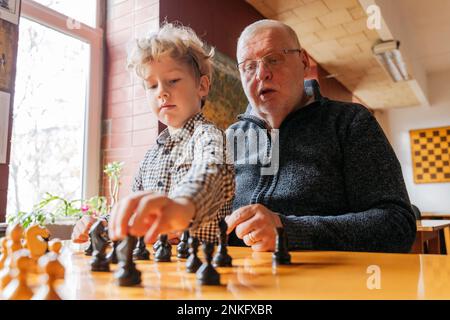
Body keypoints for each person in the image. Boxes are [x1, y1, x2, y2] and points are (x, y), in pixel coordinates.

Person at [225, 19, 416, 253]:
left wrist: (289, 231)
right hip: (240, 283)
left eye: (273, 59)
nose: (262, 74)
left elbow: (396, 225)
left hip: (327, 283)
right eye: (249, 66)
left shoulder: (350, 122)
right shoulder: (229, 139)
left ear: (303, 62)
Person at [72, 22, 234, 245]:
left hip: (200, 268)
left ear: (202, 86)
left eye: (173, 81)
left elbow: (212, 174)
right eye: (151, 85)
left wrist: (182, 206)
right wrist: (102, 225)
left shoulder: (209, 137)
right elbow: (135, 211)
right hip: (155, 271)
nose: (162, 93)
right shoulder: (151, 157)